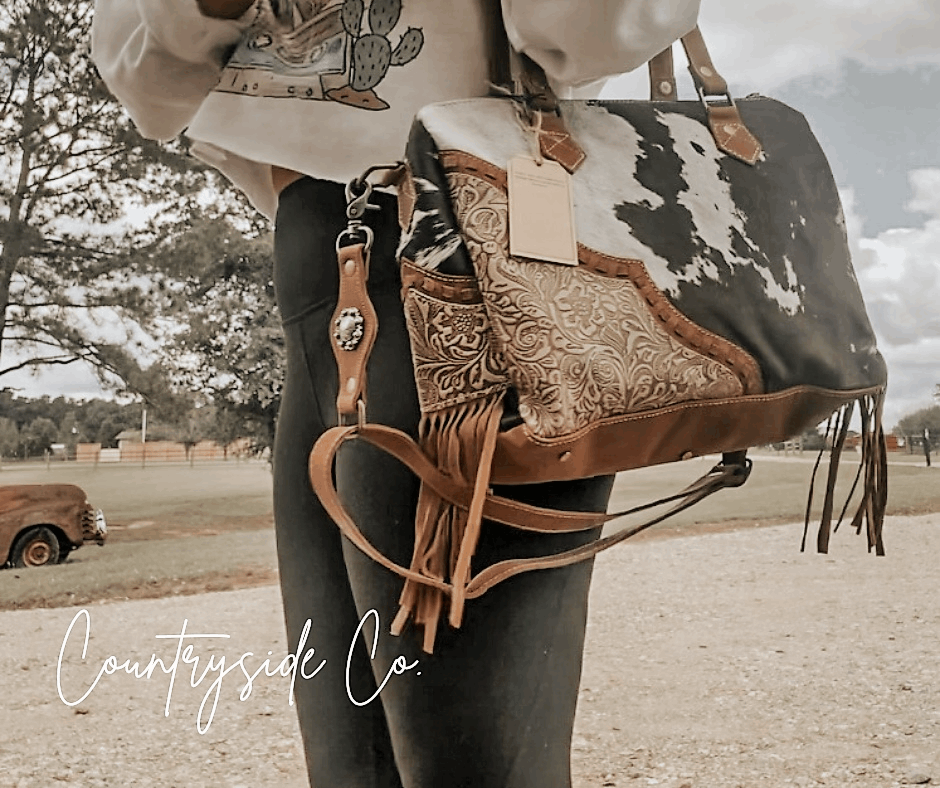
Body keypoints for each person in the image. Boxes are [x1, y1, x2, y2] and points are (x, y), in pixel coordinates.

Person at [90, 2, 701, 785]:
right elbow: (145, 79)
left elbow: (589, 32)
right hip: (319, 258)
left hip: (473, 251)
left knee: (475, 765)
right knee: (353, 760)